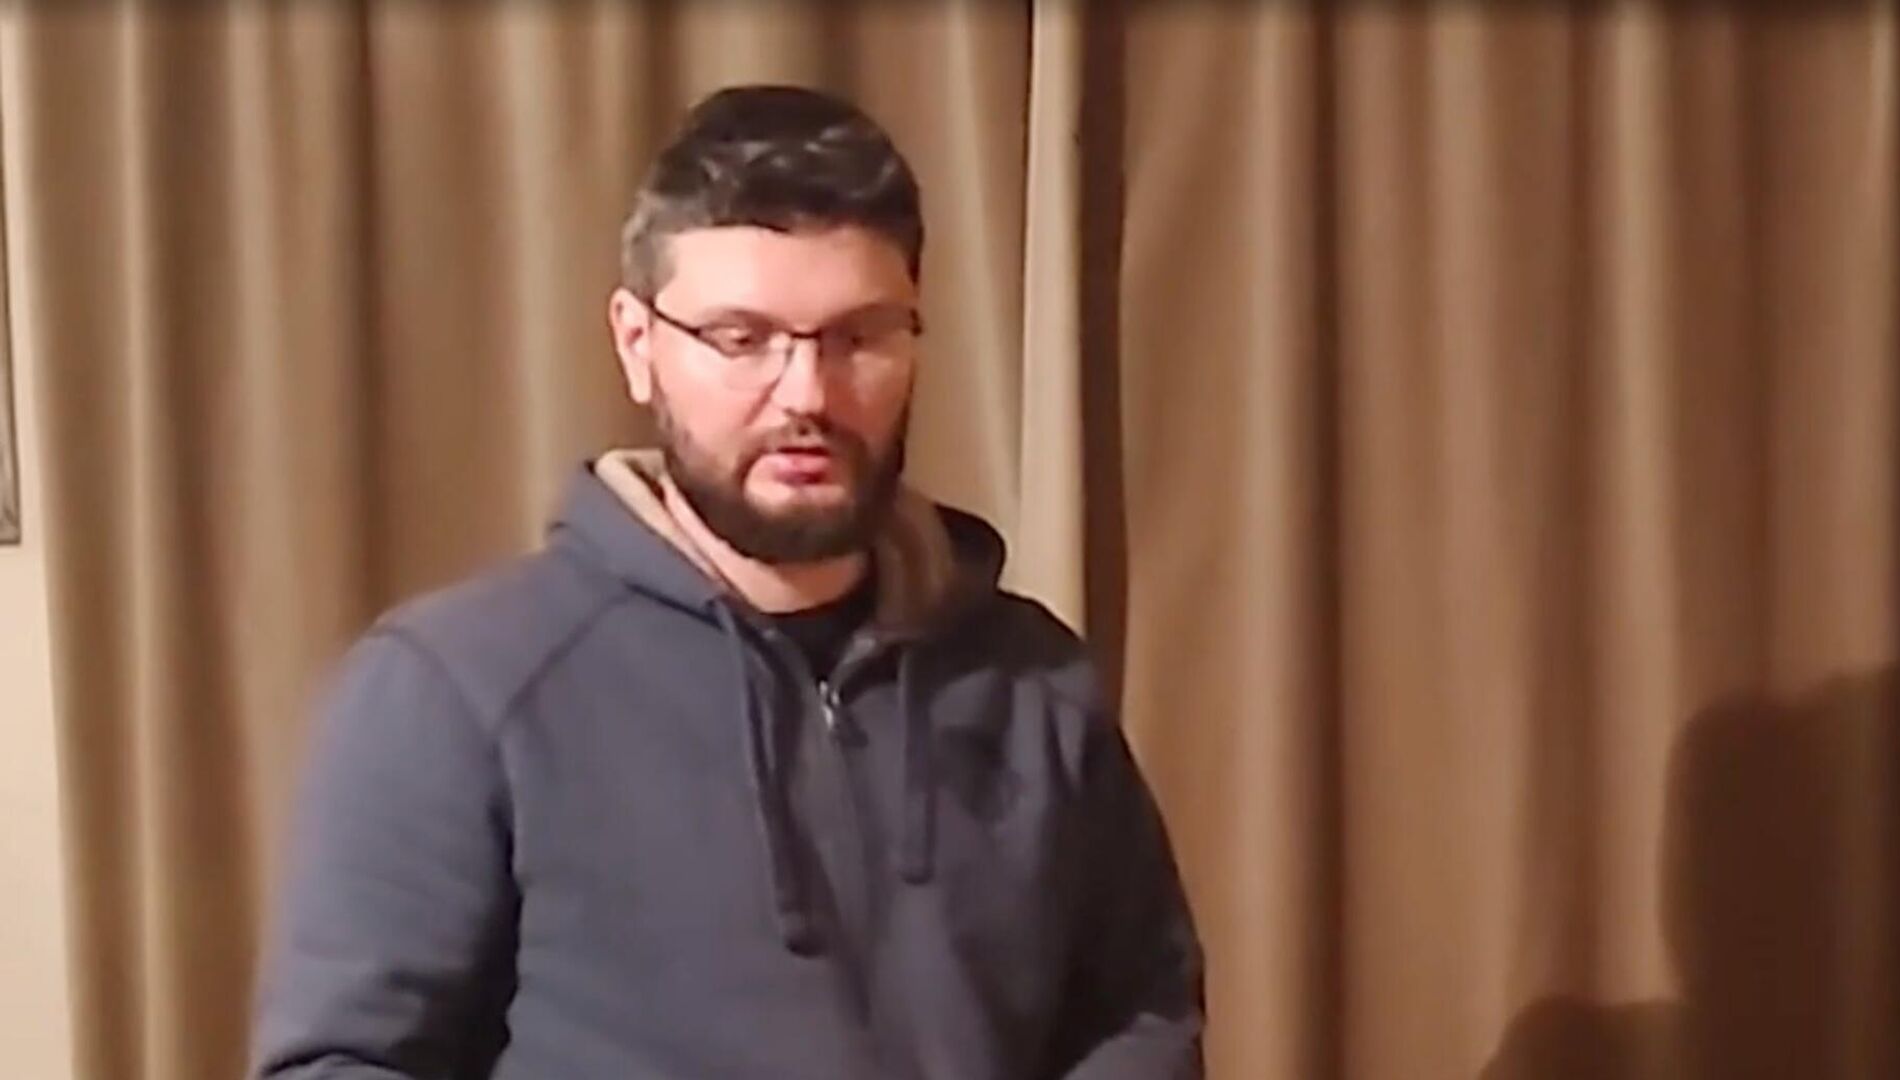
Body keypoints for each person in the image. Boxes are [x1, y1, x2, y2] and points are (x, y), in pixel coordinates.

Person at [250, 83, 1204, 1079]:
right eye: (743, 340)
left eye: (859, 337)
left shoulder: (1031, 682)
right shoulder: (456, 687)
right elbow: (342, 1062)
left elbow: (1140, 1014)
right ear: (639, 345)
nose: (807, 394)